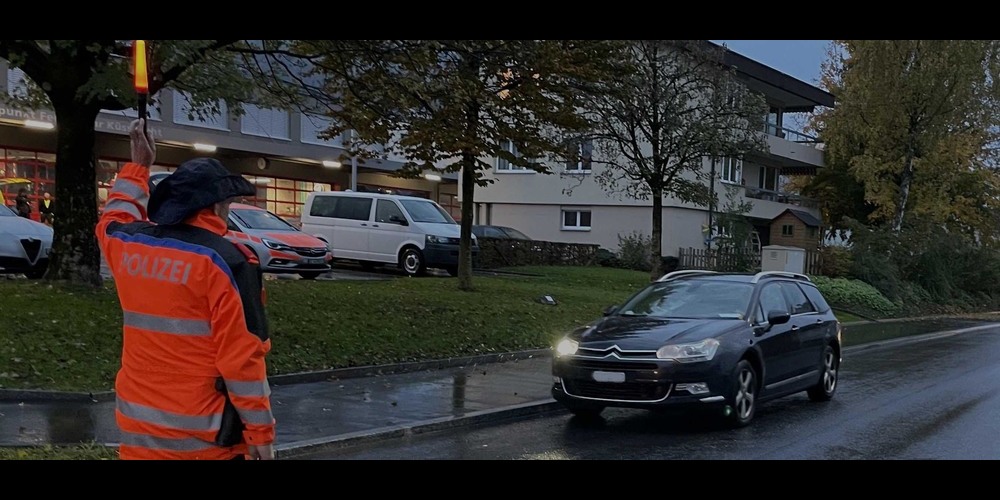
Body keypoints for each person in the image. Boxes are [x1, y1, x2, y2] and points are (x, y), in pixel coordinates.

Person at [95, 118, 275, 460]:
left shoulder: (129, 245)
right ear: (216, 206)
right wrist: (261, 439)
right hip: (205, 441)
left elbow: (112, 218)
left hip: (139, 437)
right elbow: (243, 362)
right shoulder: (229, 262)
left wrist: (138, 166)